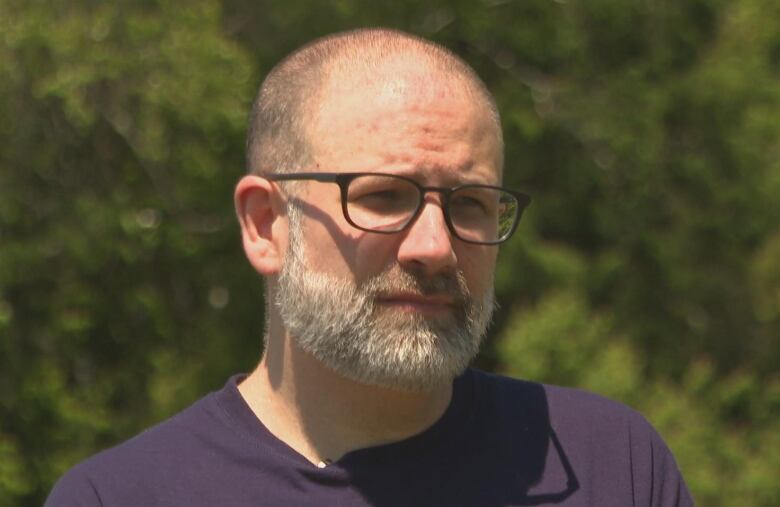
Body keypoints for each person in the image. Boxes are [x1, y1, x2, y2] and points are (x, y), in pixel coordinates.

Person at [46, 28, 693, 506]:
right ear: (266, 224)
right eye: (383, 197)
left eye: (470, 204)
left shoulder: (607, 464)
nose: (434, 247)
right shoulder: (122, 495)